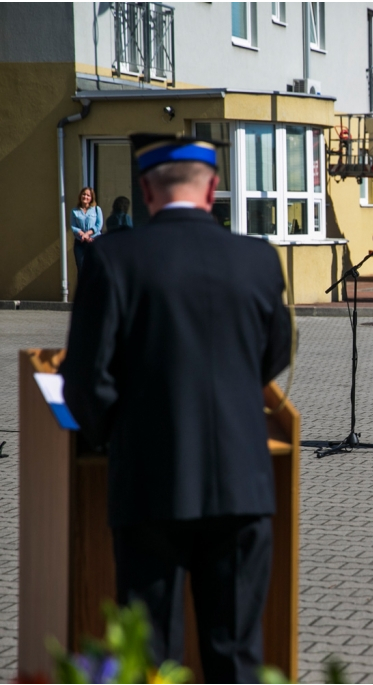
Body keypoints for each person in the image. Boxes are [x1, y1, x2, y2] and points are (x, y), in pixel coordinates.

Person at [60, 133, 292, 683]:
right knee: (235, 657)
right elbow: (275, 353)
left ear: (146, 190)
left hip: (150, 484)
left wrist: (123, 435)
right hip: (241, 483)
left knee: (152, 659)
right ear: (213, 188)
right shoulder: (256, 258)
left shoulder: (113, 258)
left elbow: (85, 379)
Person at [71, 187, 103, 273]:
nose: (85, 197)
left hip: (94, 241)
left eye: (88, 195)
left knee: (94, 268)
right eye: (84, 194)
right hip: (80, 243)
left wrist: (87, 234)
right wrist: (84, 236)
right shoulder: (74, 210)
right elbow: (73, 227)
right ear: (80, 196)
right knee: (81, 269)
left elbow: (99, 225)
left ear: (91, 198)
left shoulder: (96, 209)